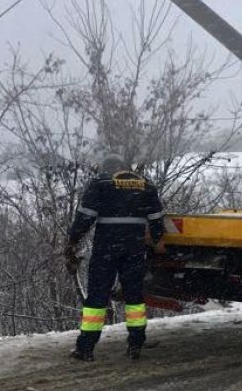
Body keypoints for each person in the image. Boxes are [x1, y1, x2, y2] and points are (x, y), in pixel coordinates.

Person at [64, 153, 166, 361]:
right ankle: (135, 345)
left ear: (107, 168)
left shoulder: (101, 184)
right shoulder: (145, 185)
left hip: (106, 249)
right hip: (134, 248)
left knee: (97, 297)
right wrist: (156, 240)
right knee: (134, 298)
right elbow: (156, 218)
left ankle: (86, 348)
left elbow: (85, 216)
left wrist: (73, 239)